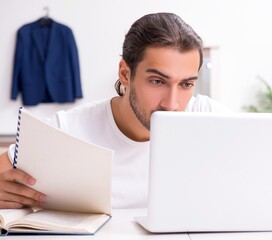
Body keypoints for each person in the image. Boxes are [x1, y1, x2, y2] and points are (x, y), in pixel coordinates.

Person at [0, 12, 228, 209]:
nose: (171, 104)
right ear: (125, 74)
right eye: (157, 81)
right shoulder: (68, 129)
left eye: (186, 84)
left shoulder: (209, 118)